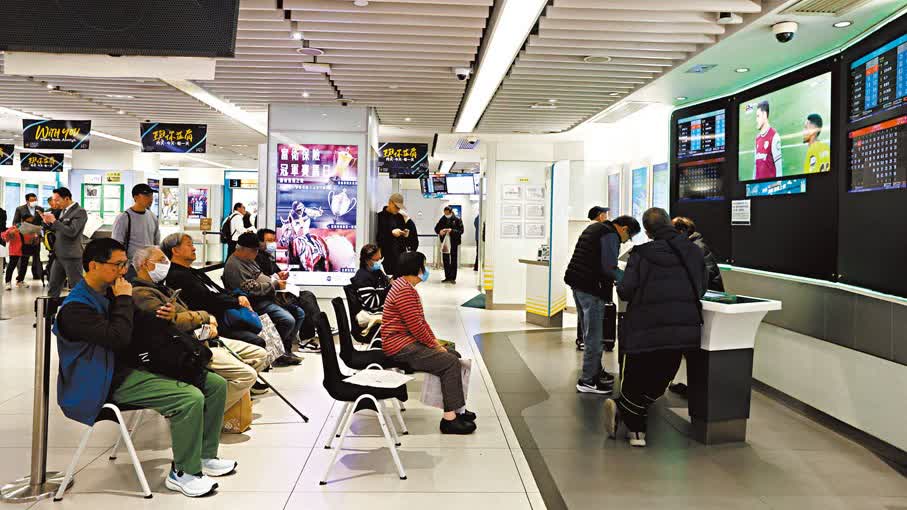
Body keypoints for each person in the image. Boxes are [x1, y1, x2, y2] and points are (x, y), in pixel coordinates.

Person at [54, 238, 236, 497]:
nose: (123, 271)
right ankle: (184, 472)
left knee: (215, 384)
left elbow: (141, 325)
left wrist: (166, 316)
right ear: (94, 265)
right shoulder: (76, 308)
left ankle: (205, 455)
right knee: (189, 397)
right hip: (102, 381)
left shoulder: (110, 292)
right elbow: (118, 337)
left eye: (124, 264)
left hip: (132, 366)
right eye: (118, 265)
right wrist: (124, 299)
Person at [605, 208, 707, 447]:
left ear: (648, 231)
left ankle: (635, 428)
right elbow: (701, 287)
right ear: (670, 223)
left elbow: (626, 290)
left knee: (635, 376)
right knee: (661, 378)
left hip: (644, 326)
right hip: (682, 329)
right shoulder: (693, 251)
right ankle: (629, 414)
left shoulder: (641, 254)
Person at [131, 246, 270, 404]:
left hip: (200, 334)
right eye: (161, 260)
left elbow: (184, 312)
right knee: (246, 375)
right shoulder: (143, 293)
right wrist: (204, 317)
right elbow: (171, 321)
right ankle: (215, 410)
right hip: (187, 345)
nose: (193, 248)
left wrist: (206, 320)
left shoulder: (166, 285)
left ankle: (233, 402)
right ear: (144, 264)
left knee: (259, 354)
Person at [382, 251, 476, 435]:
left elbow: (420, 323)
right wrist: (434, 345)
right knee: (450, 362)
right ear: (416, 268)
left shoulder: (405, 287)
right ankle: (449, 420)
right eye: (423, 266)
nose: (425, 270)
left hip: (405, 341)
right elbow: (416, 327)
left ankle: (457, 408)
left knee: (453, 354)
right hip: (399, 346)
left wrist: (434, 342)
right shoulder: (404, 291)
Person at [564, 210, 640, 395]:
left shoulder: (596, 228)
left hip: (578, 284)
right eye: (629, 236)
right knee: (594, 337)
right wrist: (629, 279)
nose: (626, 241)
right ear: (624, 228)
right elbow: (609, 267)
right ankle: (588, 381)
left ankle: (595, 371)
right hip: (591, 289)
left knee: (589, 333)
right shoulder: (610, 235)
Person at [160, 232, 267, 349]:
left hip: (224, 314)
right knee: (258, 339)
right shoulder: (177, 276)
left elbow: (218, 290)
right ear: (175, 251)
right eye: (189, 245)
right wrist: (237, 301)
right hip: (211, 322)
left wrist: (239, 296)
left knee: (262, 325)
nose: (194, 248)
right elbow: (207, 299)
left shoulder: (193, 271)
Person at [223, 232, 304, 367]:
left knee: (299, 313)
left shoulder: (248, 259)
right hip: (255, 302)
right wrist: (274, 285)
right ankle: (278, 353)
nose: (257, 253)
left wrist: (275, 279)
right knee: (288, 320)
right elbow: (251, 289)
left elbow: (260, 276)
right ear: (244, 249)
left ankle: (285, 350)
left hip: (266, 296)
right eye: (254, 251)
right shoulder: (234, 266)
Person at [255, 228, 322, 352]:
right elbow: (263, 279)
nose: (272, 244)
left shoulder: (268, 258)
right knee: (306, 299)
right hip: (271, 295)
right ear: (259, 242)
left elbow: (277, 272)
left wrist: (281, 275)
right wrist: (276, 279)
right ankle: (312, 333)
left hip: (279, 292)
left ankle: (311, 332)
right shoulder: (257, 259)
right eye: (269, 240)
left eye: (273, 240)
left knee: (307, 297)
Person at [575, 206, 609, 352]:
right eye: (605, 214)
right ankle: (586, 342)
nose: (607, 217)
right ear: (600, 216)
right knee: (589, 315)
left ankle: (582, 339)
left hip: (579, 280)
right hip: (589, 281)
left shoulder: (587, 230)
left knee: (583, 314)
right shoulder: (599, 231)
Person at [43, 187, 87, 298]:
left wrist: (54, 221)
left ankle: (79, 308)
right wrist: (48, 222)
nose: (55, 203)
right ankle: (51, 309)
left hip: (72, 256)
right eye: (54, 200)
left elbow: (72, 232)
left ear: (66, 198)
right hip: (58, 255)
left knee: (76, 286)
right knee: (53, 286)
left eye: (57, 200)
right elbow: (59, 229)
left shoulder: (80, 212)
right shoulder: (62, 211)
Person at [111, 184, 161, 280]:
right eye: (147, 195)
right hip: (131, 267)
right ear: (136, 197)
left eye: (151, 196)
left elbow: (156, 241)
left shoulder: (152, 216)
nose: (150, 199)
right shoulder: (124, 217)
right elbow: (116, 244)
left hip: (149, 266)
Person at [672, 217, 724, 292]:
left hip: (710, 291)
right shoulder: (682, 246)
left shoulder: (698, 247)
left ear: (682, 231)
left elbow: (710, 272)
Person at [350, 244, 391, 333]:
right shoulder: (362, 277)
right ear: (367, 260)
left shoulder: (377, 272)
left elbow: (386, 286)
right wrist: (390, 287)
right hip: (372, 315)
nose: (379, 262)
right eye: (377, 260)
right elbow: (371, 303)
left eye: (380, 259)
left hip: (381, 311)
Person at [14, 194, 45, 285]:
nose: (34, 201)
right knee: (24, 258)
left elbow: (42, 222)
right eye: (32, 200)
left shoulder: (40, 209)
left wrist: (39, 232)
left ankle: (37, 275)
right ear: (27, 201)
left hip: (36, 237)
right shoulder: (20, 209)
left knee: (37, 256)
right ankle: (20, 277)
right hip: (24, 237)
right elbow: (15, 222)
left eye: (35, 199)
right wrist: (24, 230)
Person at [375, 193, 408, 277]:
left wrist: (405, 234)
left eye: (399, 208)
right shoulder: (379, 217)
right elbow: (379, 237)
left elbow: (403, 237)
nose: (397, 209)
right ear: (390, 203)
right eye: (396, 207)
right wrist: (391, 234)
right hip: (386, 257)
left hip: (399, 256)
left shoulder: (400, 217)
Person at [754, 100, 782, 180]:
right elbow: (755, 166)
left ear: (764, 115)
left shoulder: (774, 136)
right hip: (757, 186)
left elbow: (779, 168)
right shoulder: (757, 138)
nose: (756, 120)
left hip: (770, 185)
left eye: (758, 116)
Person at [434, 206, 464, 284]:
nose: (446, 215)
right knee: (445, 259)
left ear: (451, 212)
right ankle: (447, 277)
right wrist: (440, 231)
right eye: (445, 213)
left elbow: (461, 231)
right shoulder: (442, 219)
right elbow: (436, 228)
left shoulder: (457, 219)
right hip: (445, 243)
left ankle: (453, 278)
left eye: (447, 213)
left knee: (454, 259)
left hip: (454, 242)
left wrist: (451, 231)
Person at [2, 225, 36, 289]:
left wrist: (34, 236)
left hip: (25, 249)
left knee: (24, 266)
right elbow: (4, 236)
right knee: (11, 266)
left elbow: (30, 239)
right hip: (15, 250)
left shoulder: (28, 228)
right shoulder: (13, 228)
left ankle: (20, 281)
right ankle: (8, 282)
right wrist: (10, 232)